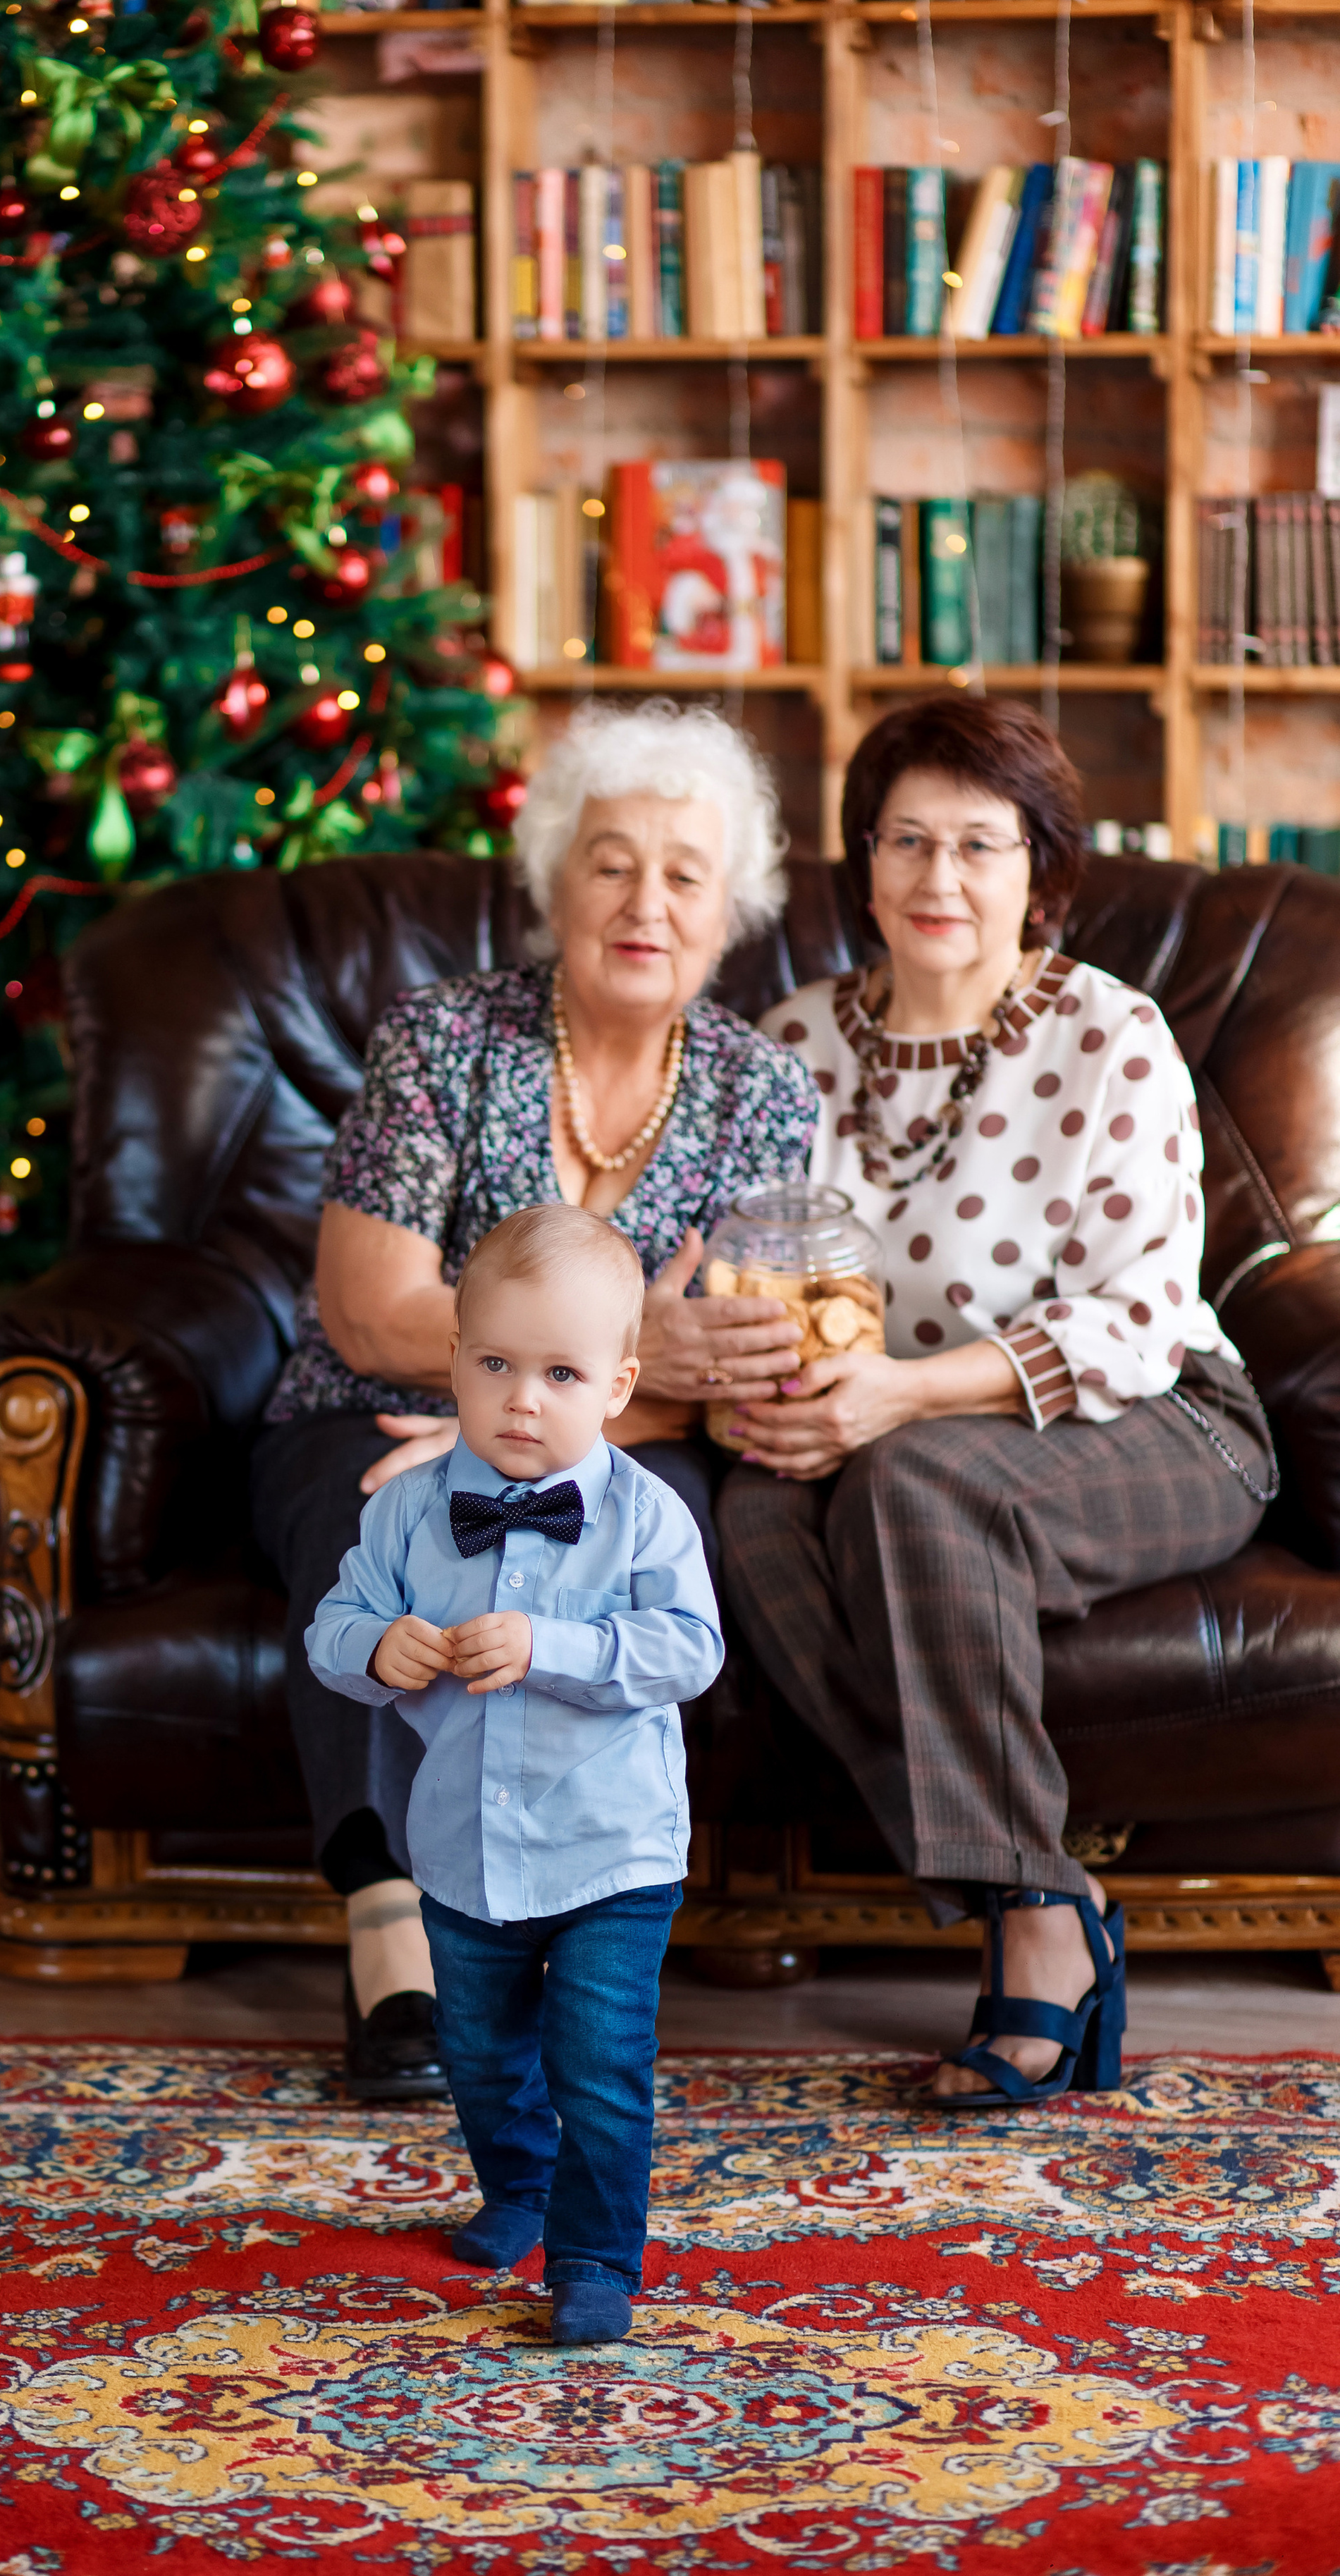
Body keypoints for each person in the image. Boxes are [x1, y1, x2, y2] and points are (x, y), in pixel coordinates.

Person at [250, 699, 818, 2104]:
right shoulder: (442, 1040)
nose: (645, 901)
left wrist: (537, 1416)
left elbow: (729, 1368)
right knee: (383, 1501)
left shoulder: (764, 1096)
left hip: (633, 1441)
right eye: (610, 861)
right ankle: (391, 1930)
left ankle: (565, 1920)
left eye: (684, 874)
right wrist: (539, 1379)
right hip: (374, 1405)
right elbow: (371, 1310)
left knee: (621, 1535)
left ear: (729, 909)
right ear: (553, 879)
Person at [715, 694, 1276, 2108]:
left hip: (1154, 1417)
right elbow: (763, 1269)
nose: (937, 880)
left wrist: (899, 1395)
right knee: (755, 1513)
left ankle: (1031, 1932)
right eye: (904, 841)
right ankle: (1038, 1889)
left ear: (1041, 868)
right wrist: (770, 1381)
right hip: (892, 1429)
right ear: (859, 860)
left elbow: (1137, 1312)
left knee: (918, 1482)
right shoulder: (791, 1045)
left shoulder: (1109, 1034)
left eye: (979, 844)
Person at [307, 1206, 723, 2344]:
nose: (524, 1398)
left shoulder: (645, 1517)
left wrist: (561, 1649)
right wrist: (373, 1647)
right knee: (479, 2055)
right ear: (454, 1364)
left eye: (561, 1373)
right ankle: (518, 2189)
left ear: (618, 1386)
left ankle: (595, 2256)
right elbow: (332, 1628)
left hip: (612, 1849)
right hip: (463, 1849)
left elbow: (690, 1650)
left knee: (598, 2063)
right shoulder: (406, 1511)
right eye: (495, 1364)